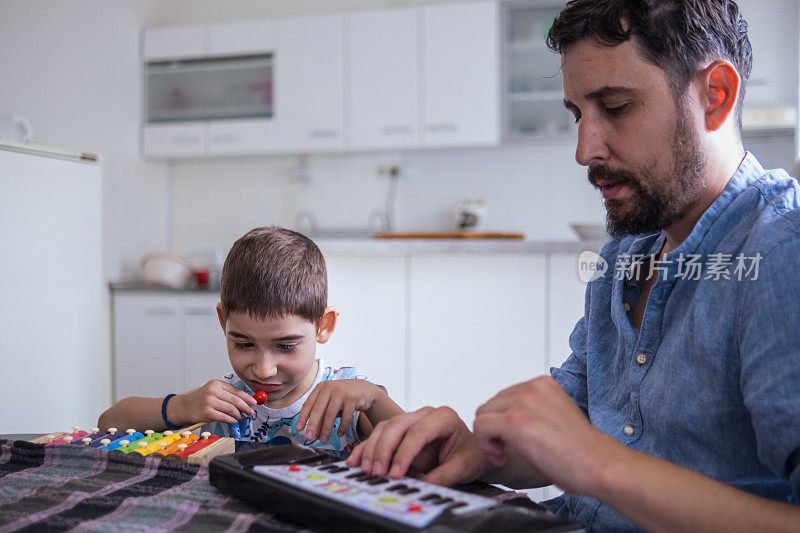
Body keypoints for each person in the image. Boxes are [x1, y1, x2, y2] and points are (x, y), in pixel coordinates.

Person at [347, 0, 800, 530]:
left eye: (616, 106)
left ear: (714, 95)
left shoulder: (779, 255)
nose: (584, 150)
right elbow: (579, 421)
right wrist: (475, 451)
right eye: (576, 114)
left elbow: (587, 454)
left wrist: (598, 464)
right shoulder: (625, 254)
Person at [99, 227, 404, 454]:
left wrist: (374, 400)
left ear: (323, 326)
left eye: (285, 346)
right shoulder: (225, 402)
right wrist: (180, 406)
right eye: (244, 344)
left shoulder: (351, 397)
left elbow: (421, 457)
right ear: (223, 323)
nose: (263, 370)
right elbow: (107, 423)